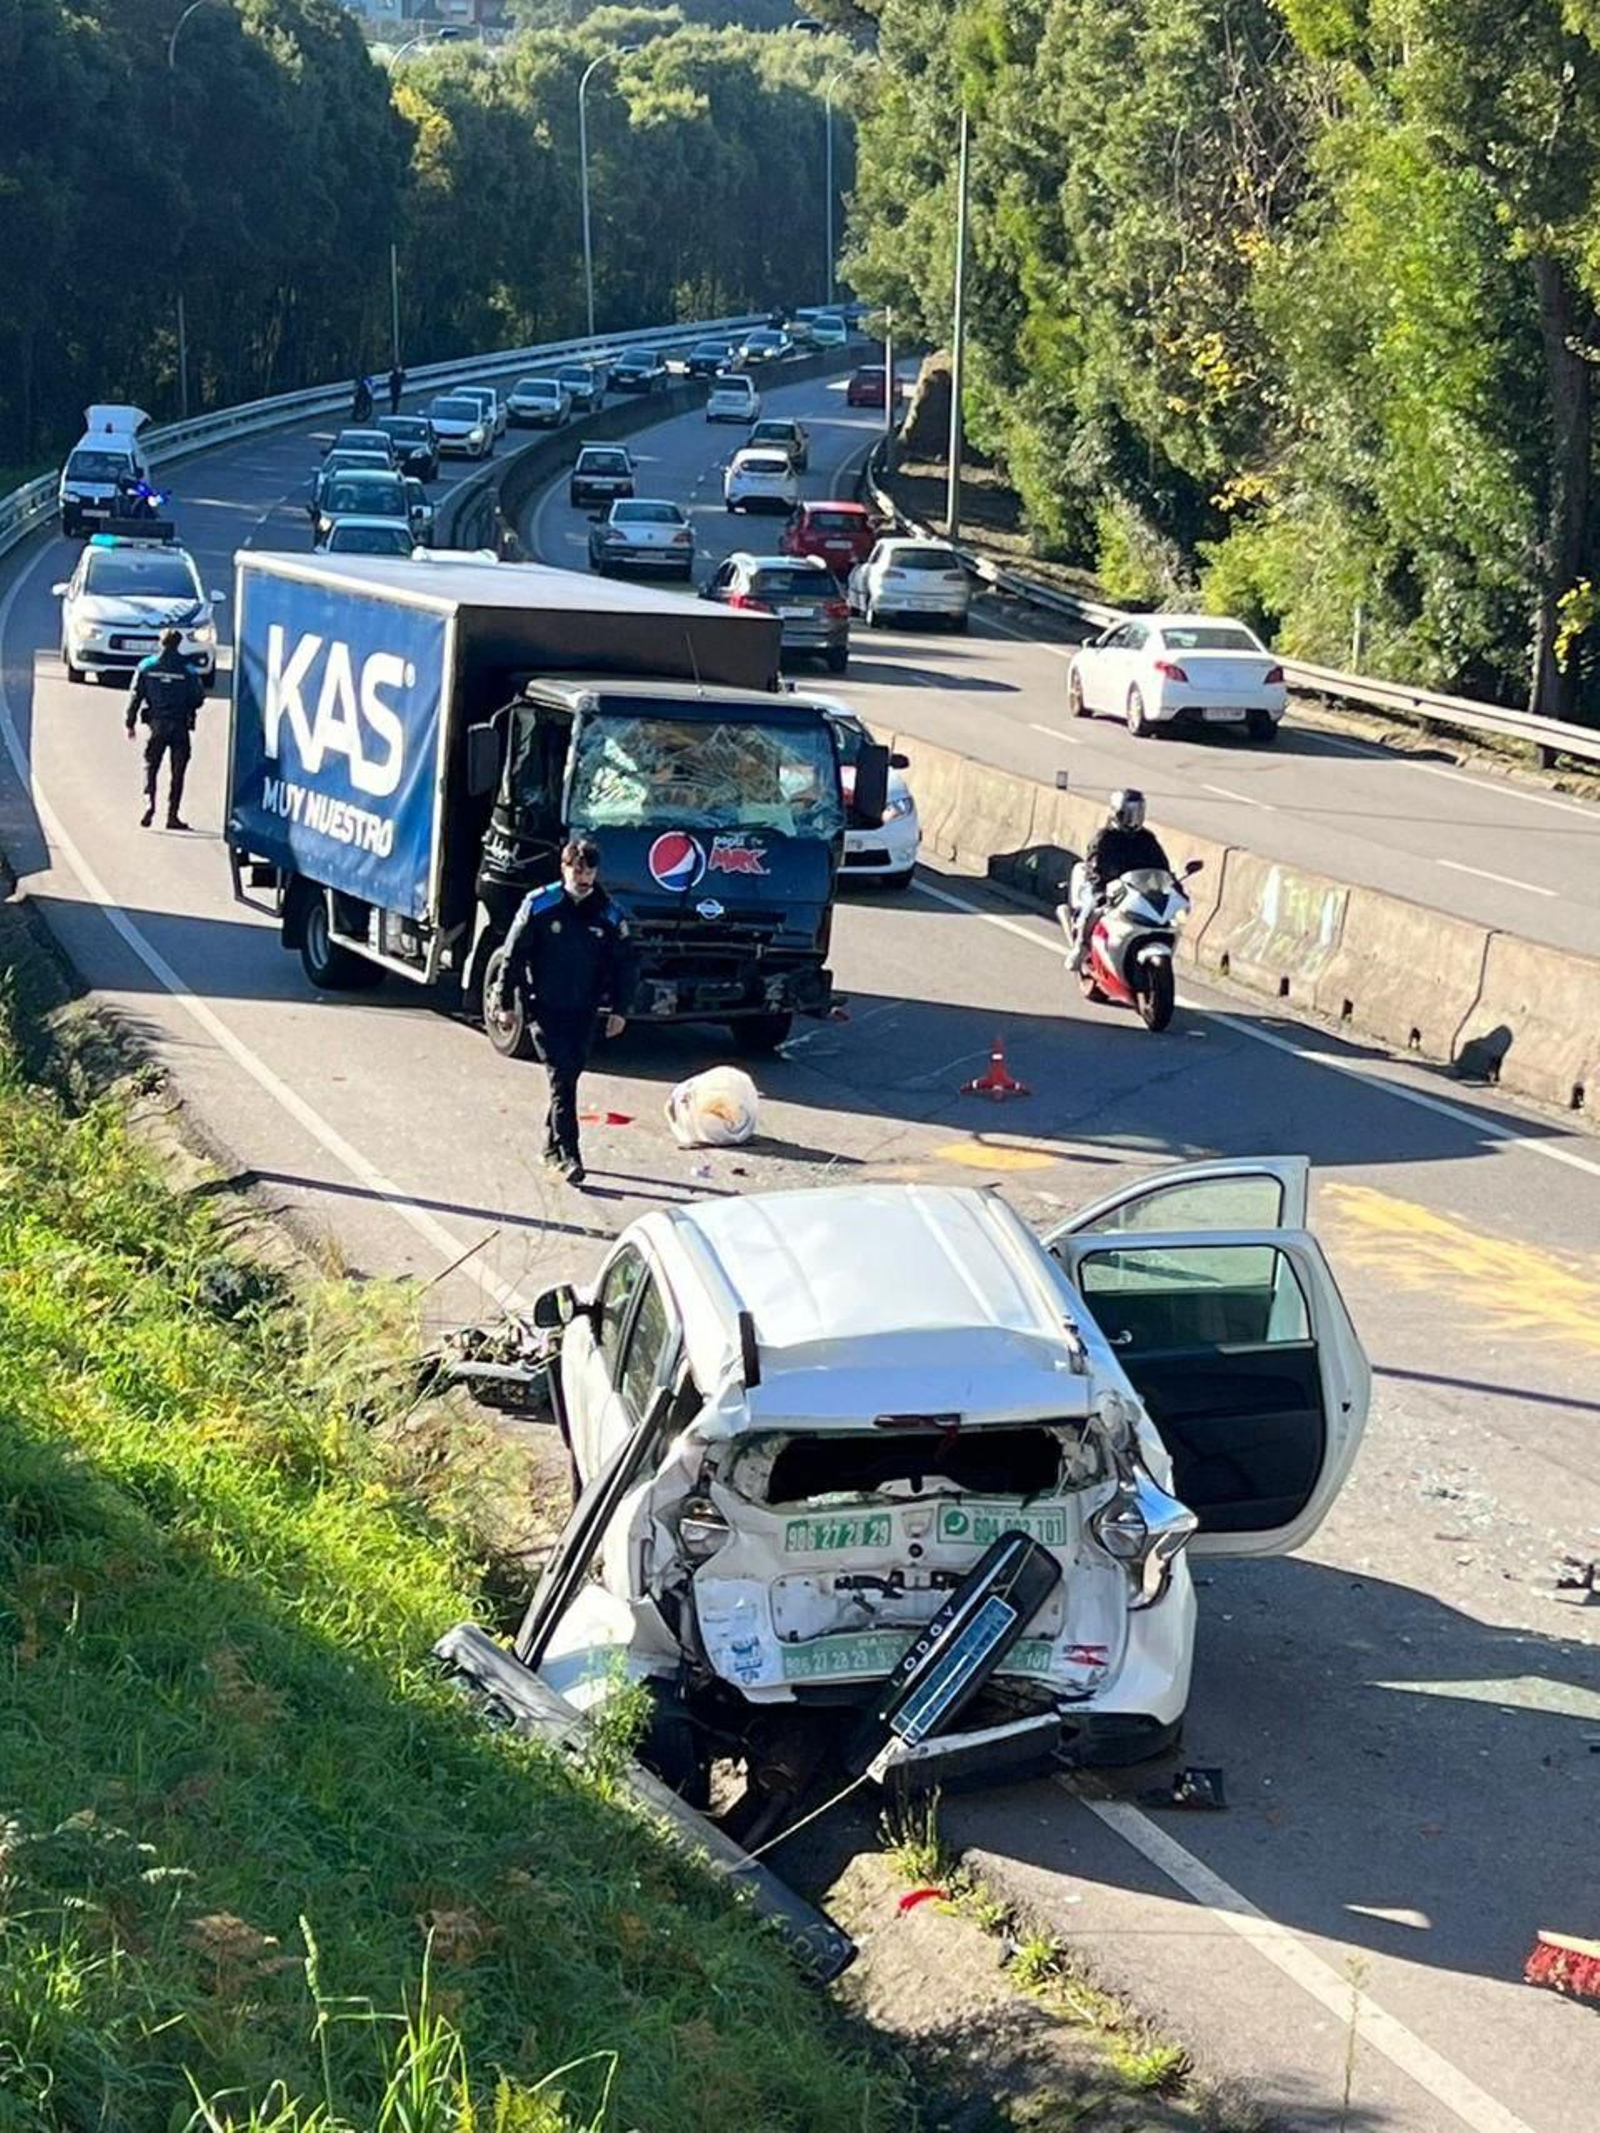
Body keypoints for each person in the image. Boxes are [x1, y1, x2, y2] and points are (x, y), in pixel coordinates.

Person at [492, 839, 635, 1186]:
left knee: (570, 1074)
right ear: (564, 868)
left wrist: (620, 1009)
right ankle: (570, 1154)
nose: (583, 878)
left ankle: (550, 1145)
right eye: (577, 870)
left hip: (584, 1008)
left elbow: (625, 965)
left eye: (589, 871)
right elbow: (513, 956)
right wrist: (505, 1003)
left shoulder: (609, 913)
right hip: (543, 1005)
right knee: (561, 1076)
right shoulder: (540, 904)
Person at [1070, 788, 1172, 971]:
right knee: (1094, 907)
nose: (1134, 819)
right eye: (1129, 814)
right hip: (1108, 887)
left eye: (1138, 813)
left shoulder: (1147, 839)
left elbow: (1161, 865)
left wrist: (1168, 882)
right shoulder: (1105, 838)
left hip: (1136, 889)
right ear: (1118, 812)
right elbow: (1094, 864)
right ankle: (1080, 947)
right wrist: (1100, 885)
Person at [124, 627, 206, 829]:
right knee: (178, 772)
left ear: (160, 643)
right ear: (179, 644)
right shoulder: (188, 668)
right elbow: (198, 698)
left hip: (156, 725)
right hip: (180, 725)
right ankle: (172, 815)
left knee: (151, 766)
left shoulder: (147, 666)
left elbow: (136, 696)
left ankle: (149, 804)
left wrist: (130, 723)